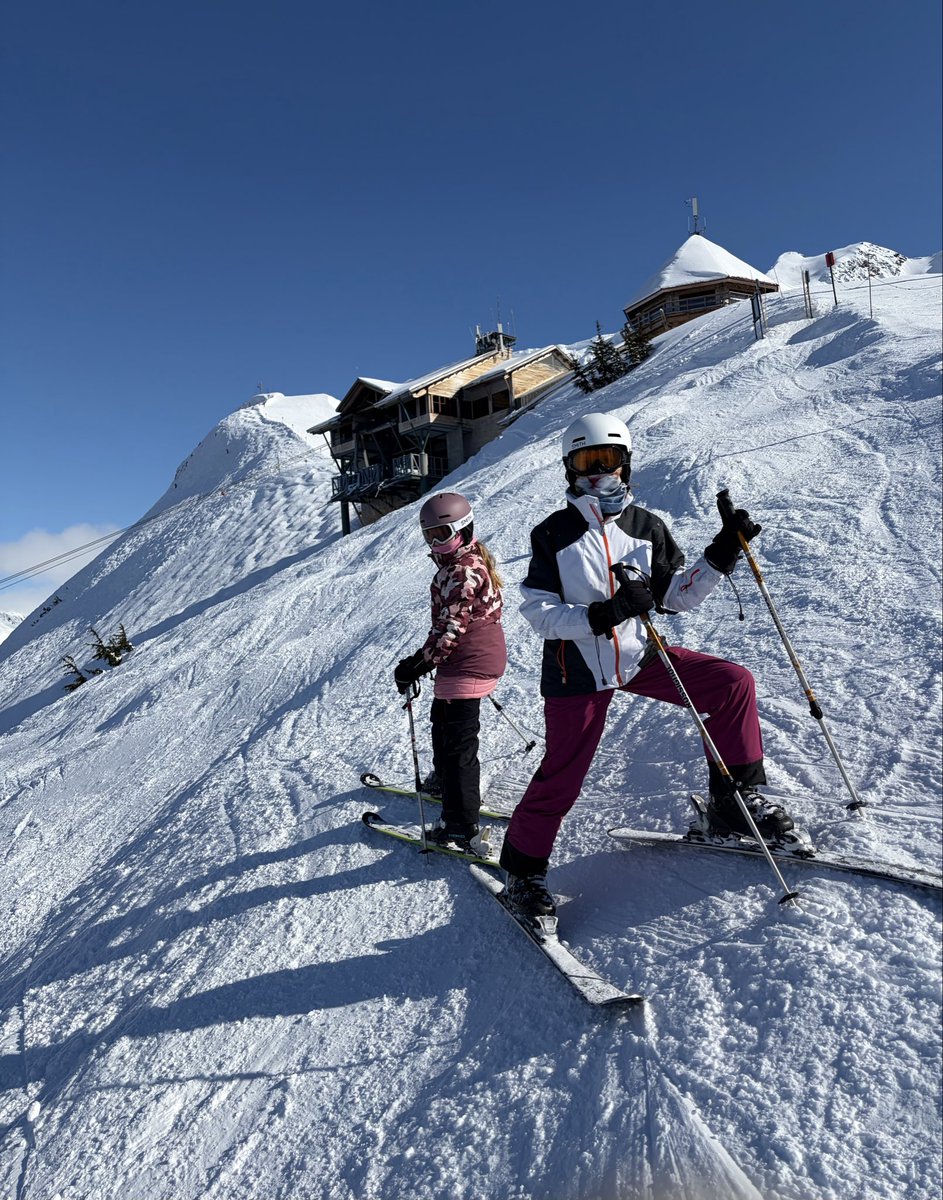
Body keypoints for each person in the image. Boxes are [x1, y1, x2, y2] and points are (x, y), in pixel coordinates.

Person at [500, 411, 795, 916]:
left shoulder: (646, 526)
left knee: (730, 683)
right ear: (569, 468)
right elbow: (539, 612)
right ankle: (524, 872)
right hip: (577, 671)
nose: (599, 473)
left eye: (608, 459)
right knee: (563, 774)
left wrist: (720, 554)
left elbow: (675, 596)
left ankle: (734, 803)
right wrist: (604, 613)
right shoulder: (553, 533)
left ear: (626, 463)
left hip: (638, 657)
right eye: (587, 462)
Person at [393, 492, 507, 852]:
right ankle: (445, 783)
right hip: (464, 660)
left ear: (463, 529)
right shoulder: (460, 564)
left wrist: (418, 664)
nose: (436, 543)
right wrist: (423, 661)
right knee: (442, 726)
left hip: (469, 662)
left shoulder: (462, 571)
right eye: (430, 536)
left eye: (442, 534)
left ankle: (460, 825)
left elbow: (450, 630)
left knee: (458, 743)